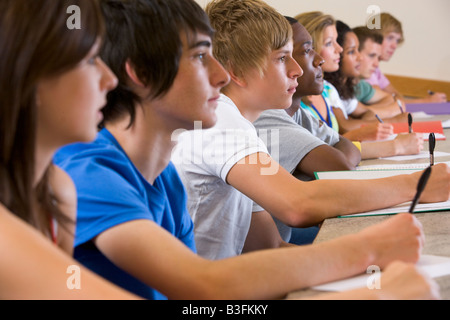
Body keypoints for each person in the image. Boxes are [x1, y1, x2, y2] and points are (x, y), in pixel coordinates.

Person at [54, 0, 442, 300]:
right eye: (201, 57)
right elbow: (202, 286)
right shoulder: (90, 173)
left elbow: (262, 252)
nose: (220, 76)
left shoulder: (165, 180)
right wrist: (370, 255)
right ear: (139, 72)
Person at [172, 0, 450, 260]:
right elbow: (298, 205)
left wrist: (366, 256)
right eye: (282, 58)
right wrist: (416, 185)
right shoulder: (220, 120)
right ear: (236, 71)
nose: (296, 69)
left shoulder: (242, 125)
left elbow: (269, 246)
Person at [0, 0, 140, 299]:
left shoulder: (58, 190)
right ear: (31, 77)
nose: (110, 79)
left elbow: (68, 287)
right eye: (90, 60)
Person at [253, 17, 424, 244]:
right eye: (306, 51)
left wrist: (332, 157)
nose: (321, 59)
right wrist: (415, 186)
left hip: (282, 239)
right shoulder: (267, 117)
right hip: (283, 240)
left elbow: (345, 147)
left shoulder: (299, 113)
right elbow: (339, 165)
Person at [296, 12, 409, 142]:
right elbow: (344, 128)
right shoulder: (297, 99)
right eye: (329, 43)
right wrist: (393, 123)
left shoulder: (328, 89)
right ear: (309, 48)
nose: (339, 49)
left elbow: (365, 112)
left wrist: (367, 116)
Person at [367, 13, 447, 104]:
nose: (394, 46)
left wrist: (425, 101)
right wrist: (426, 101)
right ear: (375, 37)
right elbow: (389, 103)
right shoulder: (366, 69)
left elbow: (397, 96)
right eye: (390, 38)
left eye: (397, 40)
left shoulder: (376, 69)